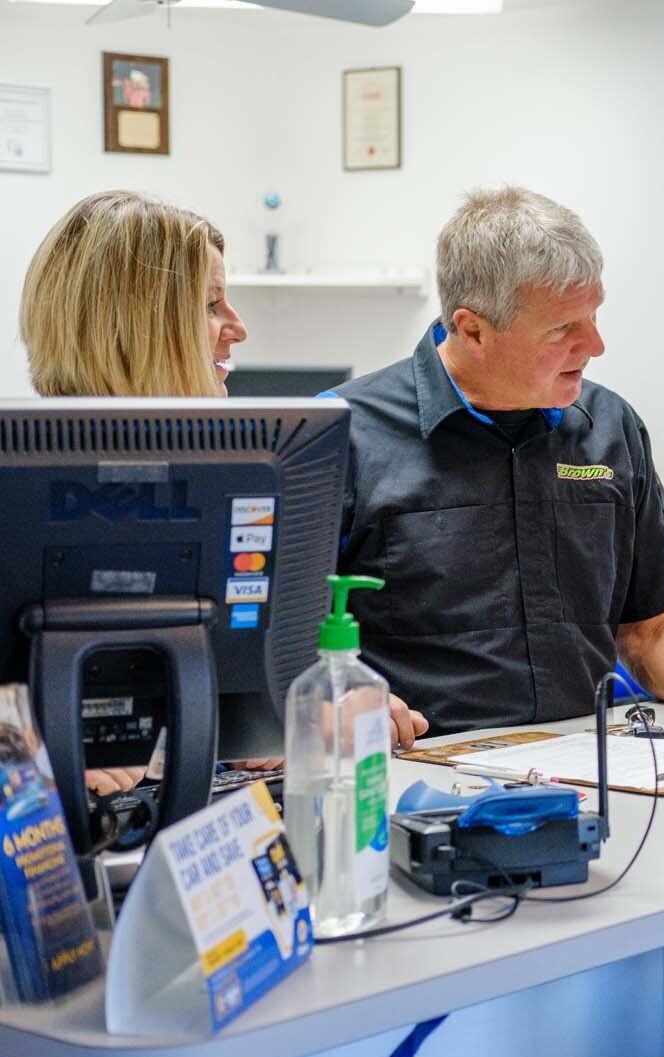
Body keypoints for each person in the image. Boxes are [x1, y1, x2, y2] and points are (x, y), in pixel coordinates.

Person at [331, 186, 664, 734]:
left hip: (594, 773)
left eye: (594, 315)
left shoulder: (610, 429)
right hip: (422, 777)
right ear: (472, 330)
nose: (596, 344)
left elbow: (651, 632)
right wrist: (341, 704)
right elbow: (276, 648)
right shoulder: (344, 436)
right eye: (564, 328)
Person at [18, 190, 429, 796]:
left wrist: (317, 705)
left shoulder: (262, 471)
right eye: (211, 306)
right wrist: (30, 757)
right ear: (132, 327)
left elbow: (263, 671)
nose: (238, 328)